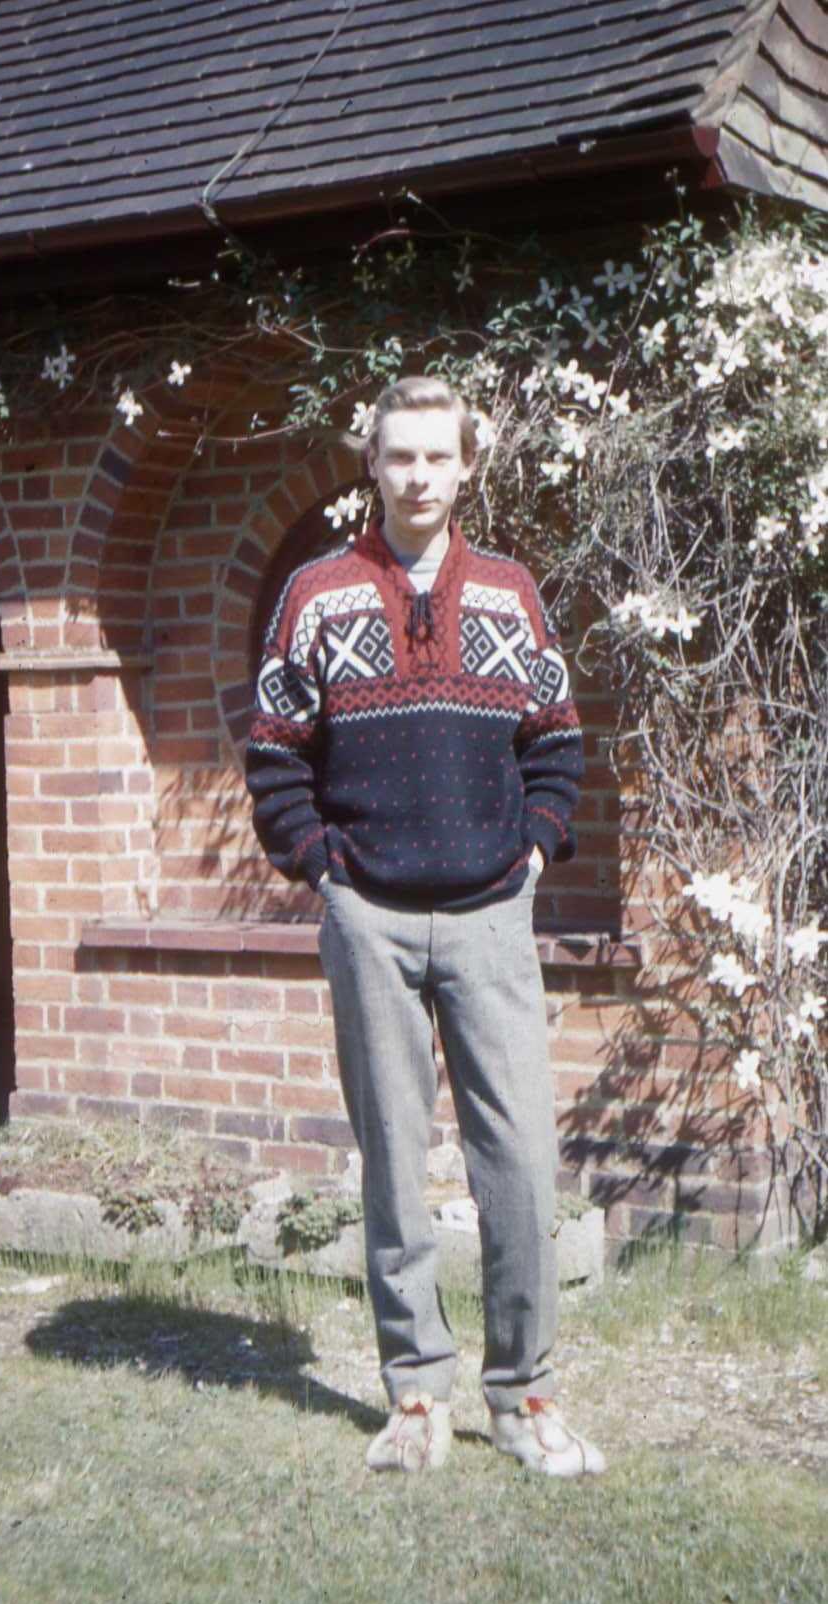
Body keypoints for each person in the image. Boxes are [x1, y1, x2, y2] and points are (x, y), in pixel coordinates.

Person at [245, 376, 604, 1478]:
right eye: (399, 456)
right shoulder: (315, 595)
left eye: (438, 457)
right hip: (371, 918)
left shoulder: (510, 592)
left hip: (491, 912)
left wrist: (534, 850)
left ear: (466, 467)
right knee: (394, 1161)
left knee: (522, 1159)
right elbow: (274, 754)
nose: (418, 477)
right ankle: (415, 1395)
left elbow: (557, 742)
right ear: (373, 464)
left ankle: (524, 1393)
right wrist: (325, 870)